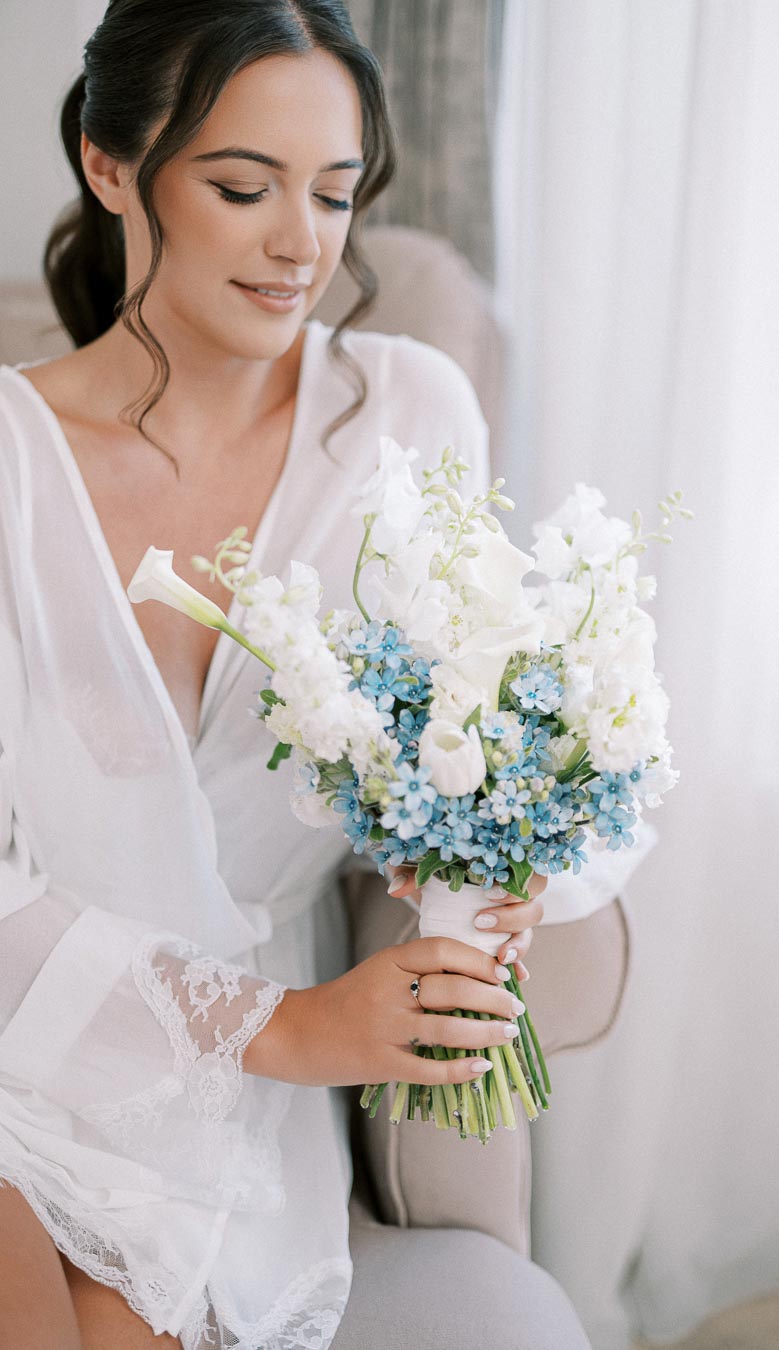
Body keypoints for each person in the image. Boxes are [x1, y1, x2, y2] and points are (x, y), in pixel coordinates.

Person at [0, 3, 623, 1346]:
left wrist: (491, 855)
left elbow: (497, 713)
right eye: (242, 188)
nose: (303, 246)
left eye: (336, 196)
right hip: (39, 1018)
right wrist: (281, 1026)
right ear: (113, 168)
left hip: (225, 1102)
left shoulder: (401, 416)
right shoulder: (7, 461)